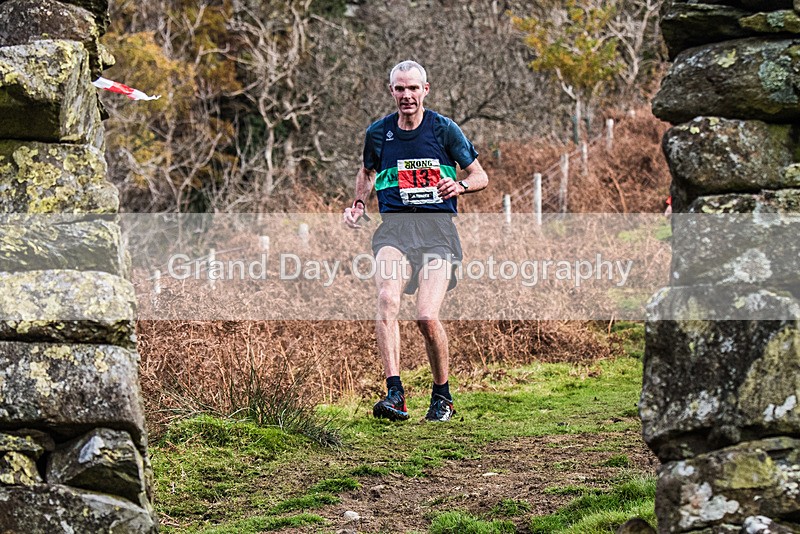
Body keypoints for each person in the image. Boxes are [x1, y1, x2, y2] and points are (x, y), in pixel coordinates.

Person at [343, 60, 488, 422]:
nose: (406, 95)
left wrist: (460, 185)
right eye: (400, 88)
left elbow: (480, 175)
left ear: (425, 90)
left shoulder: (444, 130)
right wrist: (359, 203)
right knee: (386, 299)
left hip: (437, 232)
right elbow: (367, 171)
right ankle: (395, 394)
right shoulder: (378, 133)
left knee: (426, 316)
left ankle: (442, 396)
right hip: (395, 229)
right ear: (391, 91)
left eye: (412, 88)